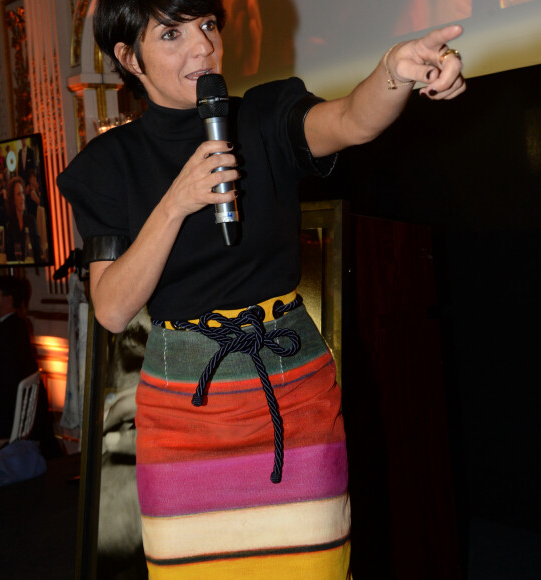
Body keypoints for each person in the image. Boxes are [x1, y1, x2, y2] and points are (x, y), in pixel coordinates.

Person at [57, 1, 465, 577]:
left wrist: (395, 70)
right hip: (183, 413)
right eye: (172, 34)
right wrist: (178, 201)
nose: (202, 46)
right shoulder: (107, 164)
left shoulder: (263, 116)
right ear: (128, 57)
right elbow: (113, 309)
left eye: (206, 26)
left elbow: (351, 118)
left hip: (291, 396)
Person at [0, 276, 38, 441]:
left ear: (8, 299)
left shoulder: (3, 334)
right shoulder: (17, 326)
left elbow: (0, 384)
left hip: (3, 419)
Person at [5, 176, 42, 263]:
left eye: (22, 193)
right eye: (18, 194)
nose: (22, 197)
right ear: (13, 200)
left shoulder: (31, 220)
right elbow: (9, 257)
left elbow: (38, 251)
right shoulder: (10, 226)